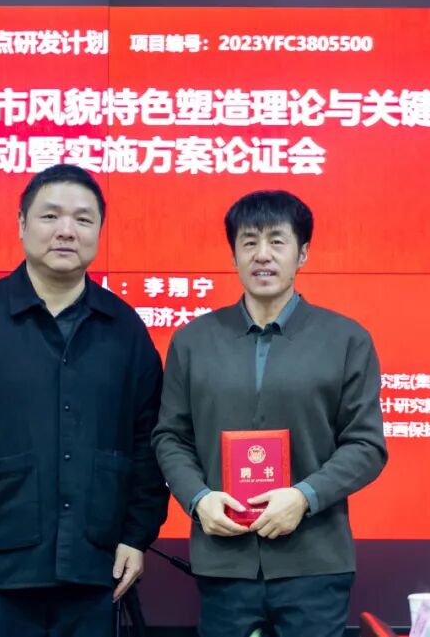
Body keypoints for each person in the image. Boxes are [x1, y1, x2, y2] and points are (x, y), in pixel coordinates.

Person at [0, 164, 168, 637]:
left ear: (98, 231)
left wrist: (137, 534)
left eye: (83, 219)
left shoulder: (124, 329)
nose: (67, 230)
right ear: (22, 224)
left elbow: (148, 439)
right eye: (50, 216)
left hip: (93, 566)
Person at [152, 190, 388, 637]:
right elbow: (170, 437)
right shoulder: (193, 341)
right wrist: (199, 499)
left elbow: (366, 445)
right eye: (249, 242)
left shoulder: (346, 339)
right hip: (224, 560)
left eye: (277, 241)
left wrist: (304, 497)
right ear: (234, 255)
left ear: (303, 253)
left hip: (315, 560)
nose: (262, 254)